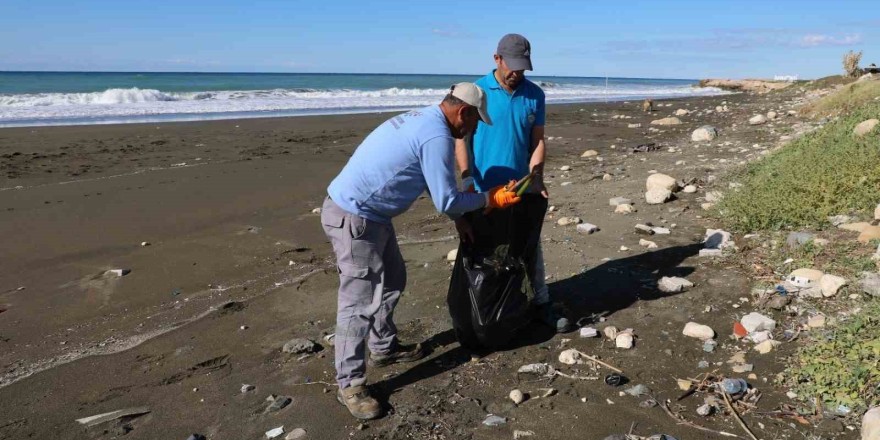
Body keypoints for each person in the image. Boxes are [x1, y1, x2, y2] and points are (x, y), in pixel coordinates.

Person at [321, 82, 521, 420]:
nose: (471, 130)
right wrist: (489, 198)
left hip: (372, 214)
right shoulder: (436, 136)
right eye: (473, 123)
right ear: (463, 112)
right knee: (357, 304)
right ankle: (350, 384)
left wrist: (459, 220)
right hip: (355, 219)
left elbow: (432, 180)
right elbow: (445, 197)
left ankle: (383, 348)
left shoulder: (424, 119)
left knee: (394, 279)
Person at [454, 34, 574, 333]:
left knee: (529, 248)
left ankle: (541, 302)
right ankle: (485, 310)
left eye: (522, 68)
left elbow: (537, 141)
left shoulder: (535, 95)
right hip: (483, 192)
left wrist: (537, 176)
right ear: (497, 59)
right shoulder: (477, 91)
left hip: (520, 188)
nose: (516, 74)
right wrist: (467, 178)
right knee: (483, 254)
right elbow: (462, 140)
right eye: (512, 67)